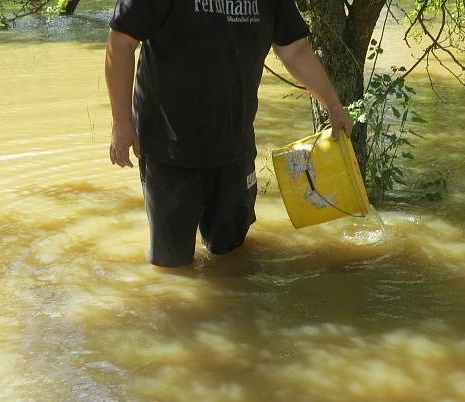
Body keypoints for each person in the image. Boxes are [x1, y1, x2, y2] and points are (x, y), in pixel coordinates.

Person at [105, 0, 354, 267]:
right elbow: (121, 42)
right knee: (172, 266)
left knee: (232, 259)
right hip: (170, 148)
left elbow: (295, 49)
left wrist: (334, 105)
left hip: (235, 145)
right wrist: (121, 122)